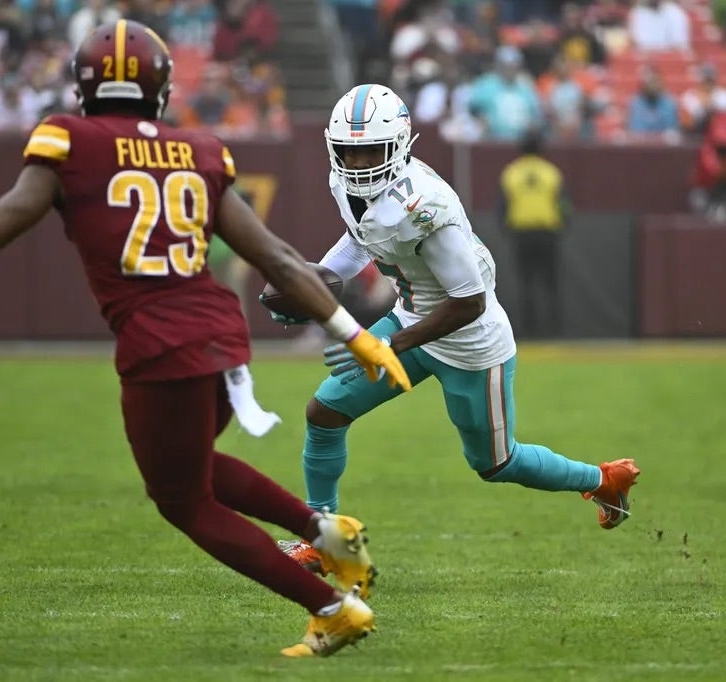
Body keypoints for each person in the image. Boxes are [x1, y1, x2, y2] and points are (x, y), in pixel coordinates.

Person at [0, 21, 414, 658]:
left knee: (182, 501)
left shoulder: (67, 139)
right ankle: (327, 534)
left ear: (83, 85)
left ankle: (331, 607)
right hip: (219, 331)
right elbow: (282, 262)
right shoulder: (198, 149)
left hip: (161, 343)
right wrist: (355, 335)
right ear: (160, 88)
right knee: (191, 466)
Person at [269, 84, 640, 570]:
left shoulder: (426, 207)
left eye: (369, 152)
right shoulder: (345, 183)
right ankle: (320, 538)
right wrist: (317, 278)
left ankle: (601, 479)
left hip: (468, 339)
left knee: (496, 463)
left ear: (398, 145)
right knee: (325, 413)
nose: (357, 164)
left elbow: (469, 302)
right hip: (411, 315)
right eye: (349, 152)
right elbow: (363, 236)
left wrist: (385, 346)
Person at [499, 132, 570, 338]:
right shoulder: (551, 172)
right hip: (547, 233)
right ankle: (555, 330)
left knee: (525, 283)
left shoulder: (511, 172)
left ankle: (529, 332)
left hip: (522, 233)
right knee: (551, 283)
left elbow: (502, 206)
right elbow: (564, 205)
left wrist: (507, 229)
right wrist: (561, 227)